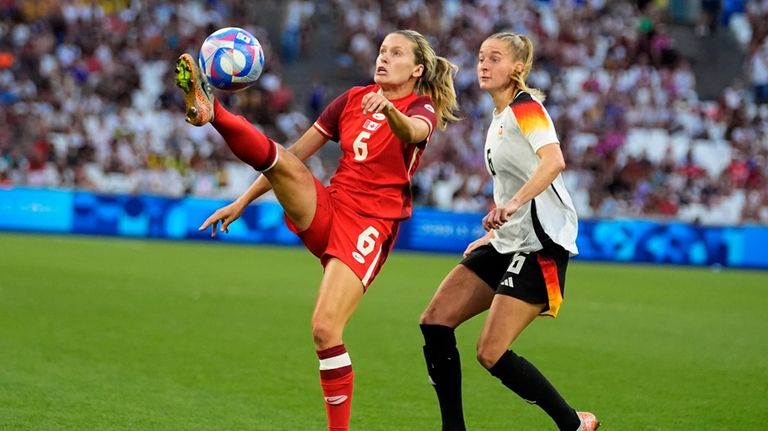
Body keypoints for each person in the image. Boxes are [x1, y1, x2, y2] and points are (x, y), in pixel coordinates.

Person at [175, 29, 459, 431]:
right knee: (285, 162)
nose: (383, 58)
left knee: (325, 330)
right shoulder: (352, 99)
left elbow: (413, 133)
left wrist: (389, 111)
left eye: (395, 53)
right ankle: (213, 112)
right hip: (329, 206)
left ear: (416, 69)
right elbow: (290, 156)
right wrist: (242, 201)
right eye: (381, 50)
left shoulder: (420, 106)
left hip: (370, 224)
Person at [418, 32, 599, 431]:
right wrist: (494, 230)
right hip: (509, 240)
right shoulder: (498, 117)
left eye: (495, 58)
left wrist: (514, 204)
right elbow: (509, 185)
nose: (484, 64)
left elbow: (553, 161)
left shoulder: (526, 107)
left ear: (518, 67)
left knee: (490, 352)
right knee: (435, 320)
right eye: (481, 57)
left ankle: (573, 424)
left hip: (542, 245)